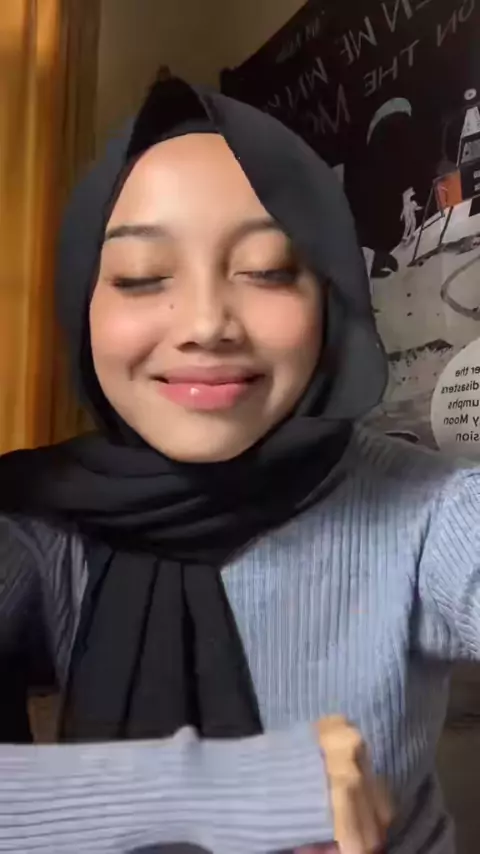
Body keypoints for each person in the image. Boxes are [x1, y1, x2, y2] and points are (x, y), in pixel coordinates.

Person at [0, 76, 475, 853]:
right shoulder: (39, 521)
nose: (205, 324)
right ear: (83, 303)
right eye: (141, 276)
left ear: (328, 296)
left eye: (266, 269)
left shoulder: (428, 512)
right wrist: (230, 790)